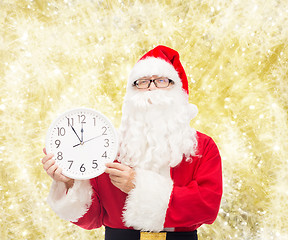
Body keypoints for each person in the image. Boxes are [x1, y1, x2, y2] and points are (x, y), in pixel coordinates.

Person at [42, 45, 223, 240]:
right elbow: (93, 219)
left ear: (178, 90)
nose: (152, 87)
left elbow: (207, 206)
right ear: (130, 94)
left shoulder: (203, 146)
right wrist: (70, 182)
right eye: (142, 82)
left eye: (161, 80)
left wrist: (139, 185)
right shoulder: (108, 146)